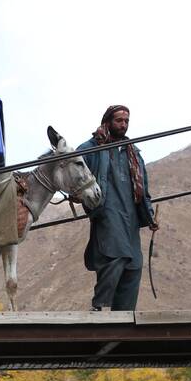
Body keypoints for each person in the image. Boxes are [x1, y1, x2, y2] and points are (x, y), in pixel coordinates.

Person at [77, 105, 158, 311]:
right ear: (108, 121)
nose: (123, 125)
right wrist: (78, 193)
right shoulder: (93, 147)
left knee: (134, 266)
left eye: (126, 121)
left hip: (130, 217)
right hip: (107, 214)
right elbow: (71, 167)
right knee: (116, 255)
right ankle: (99, 306)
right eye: (119, 120)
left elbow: (144, 187)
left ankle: (123, 314)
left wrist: (149, 217)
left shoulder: (133, 152)